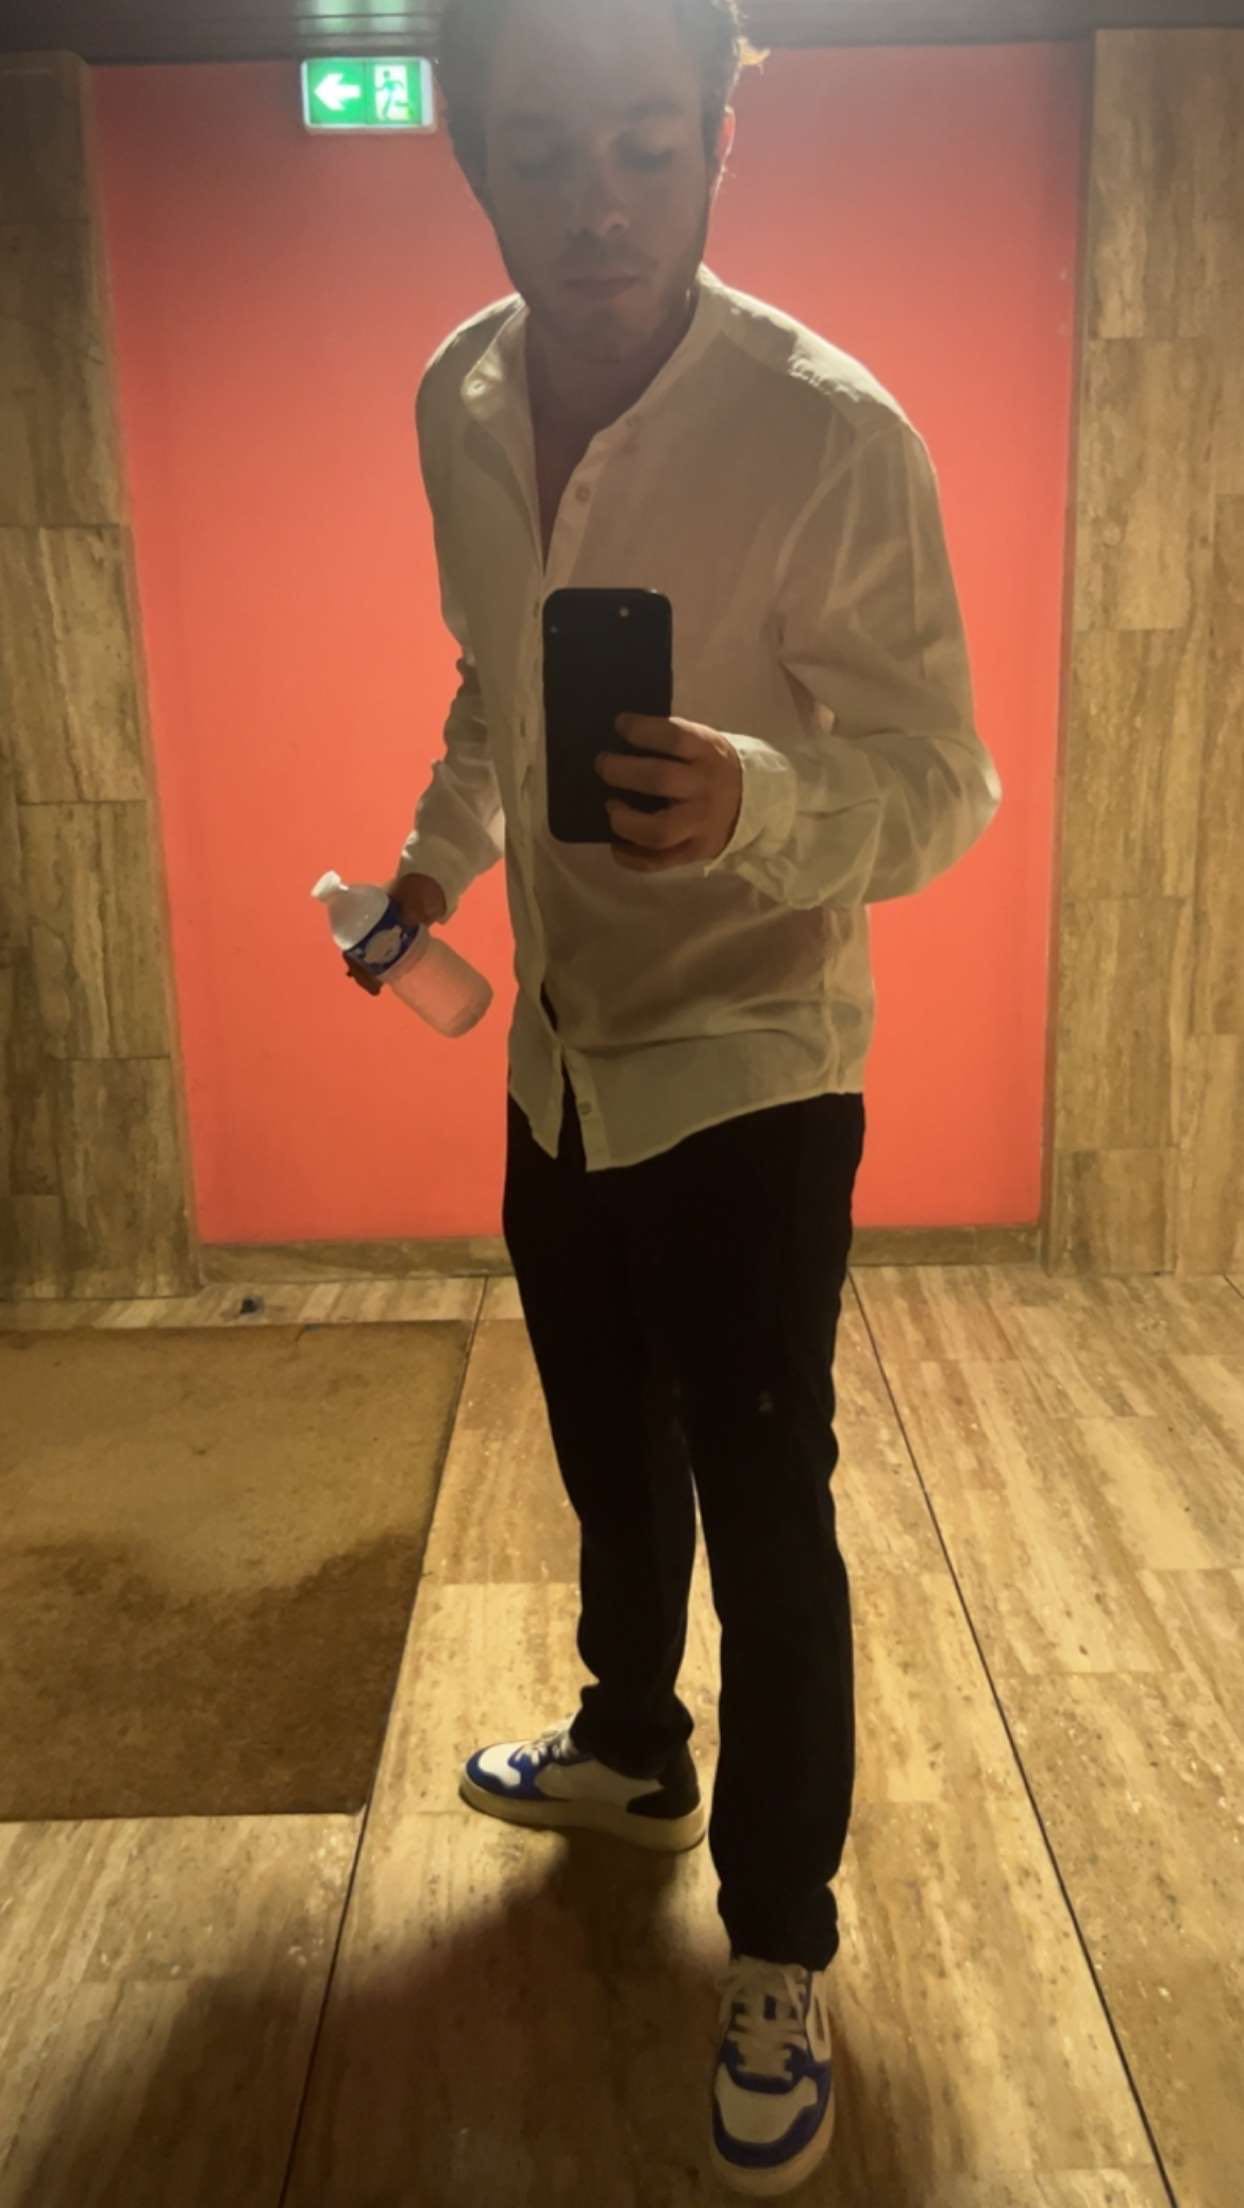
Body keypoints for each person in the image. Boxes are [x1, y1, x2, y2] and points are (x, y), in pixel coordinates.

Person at [347, 0, 1002, 2193]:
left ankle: (781, 1942)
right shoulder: (456, 397)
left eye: (646, 141)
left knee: (766, 1501)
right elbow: (493, 680)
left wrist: (762, 801)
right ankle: (633, 1748)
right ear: (472, 154)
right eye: (547, 150)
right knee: (604, 1456)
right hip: (555, 1051)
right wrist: (433, 867)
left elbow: (940, 781)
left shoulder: (831, 435)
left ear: (717, 136)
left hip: (750, 1066)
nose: (600, 201)